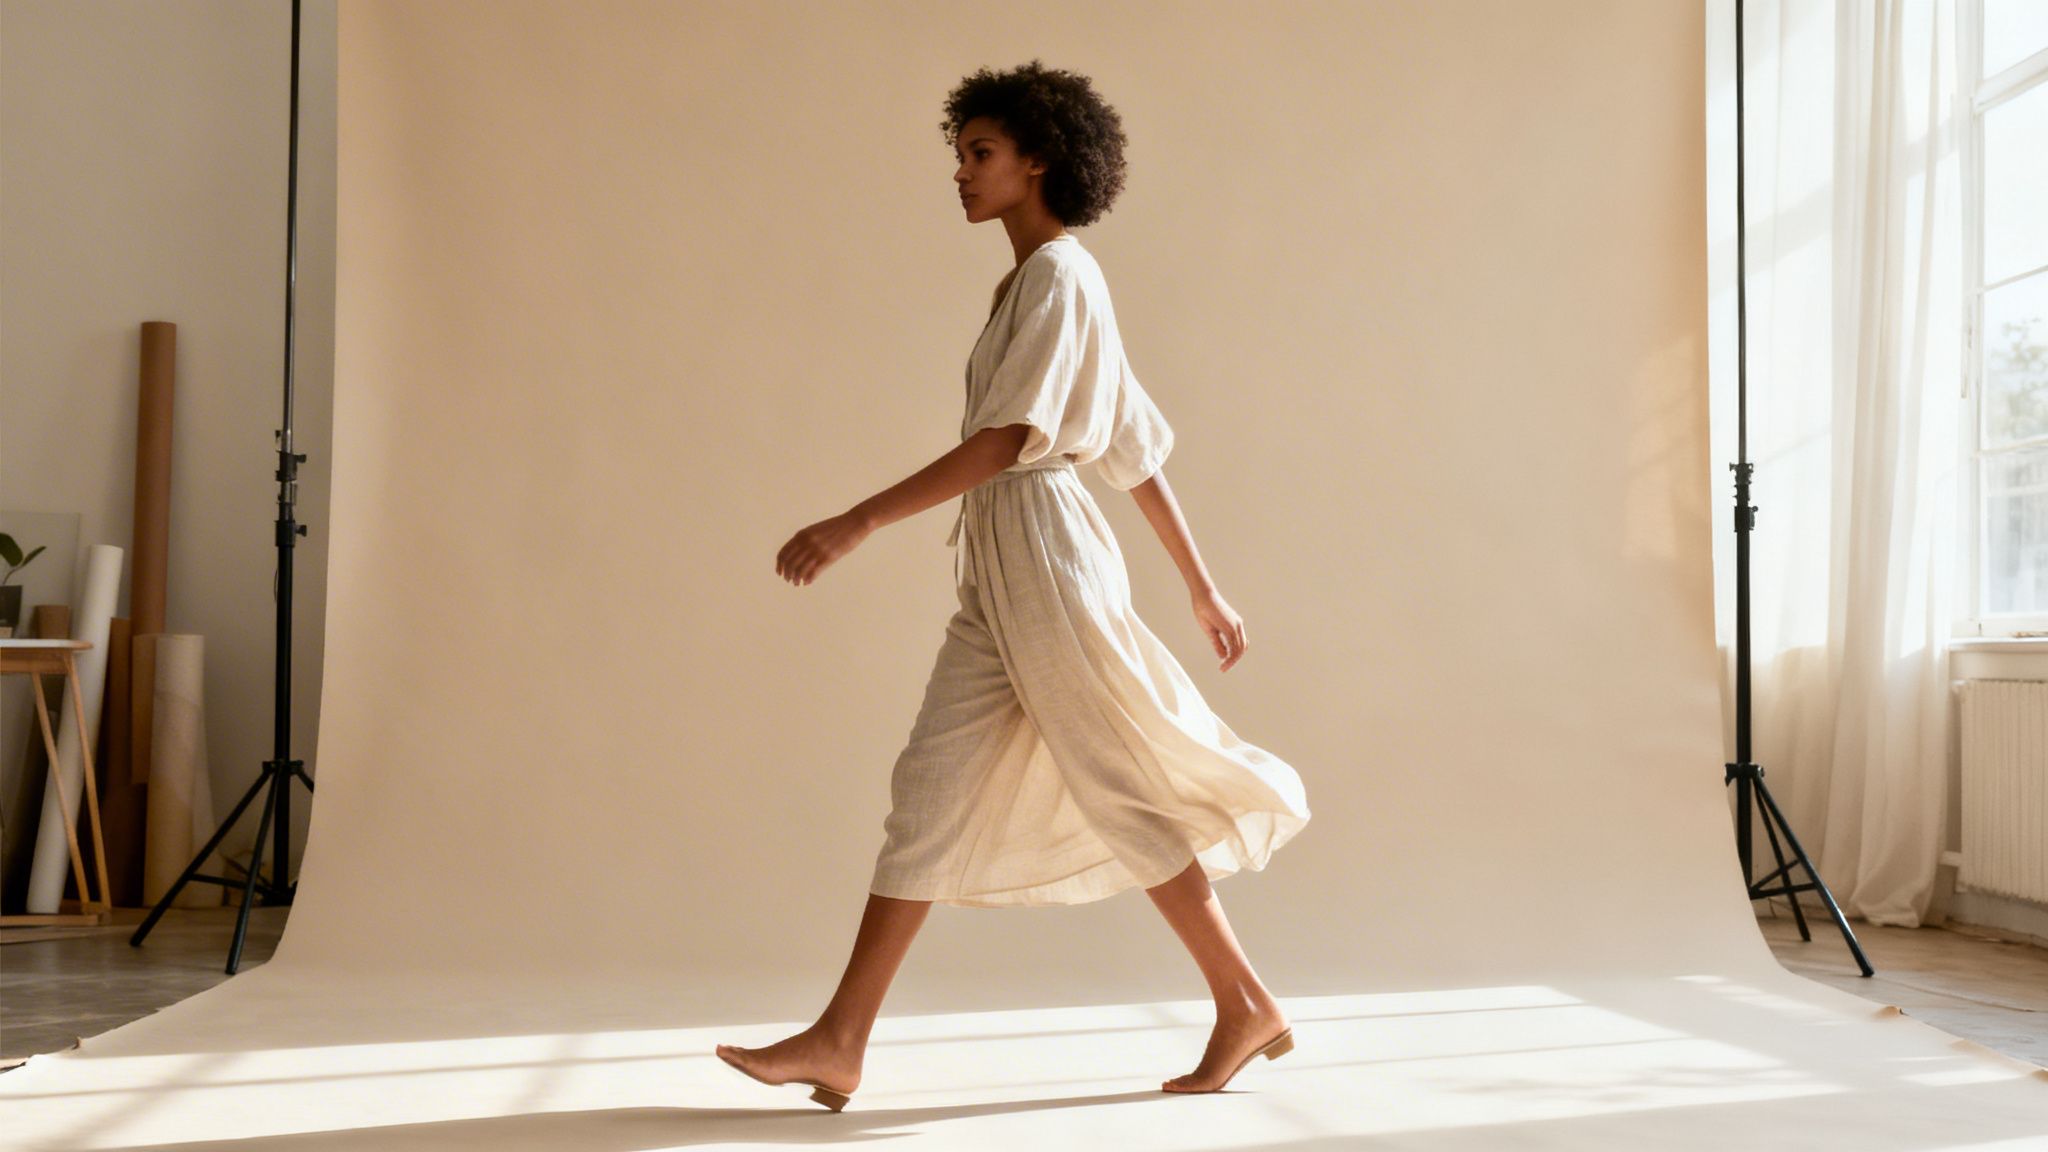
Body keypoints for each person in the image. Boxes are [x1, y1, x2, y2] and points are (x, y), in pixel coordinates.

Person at [716, 61, 1309, 1112]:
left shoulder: (1060, 279)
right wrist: (1204, 589)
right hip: (1003, 566)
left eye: (979, 152)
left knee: (1117, 779)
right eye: (958, 152)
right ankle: (840, 1039)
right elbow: (1133, 444)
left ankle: (1242, 1000)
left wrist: (855, 520)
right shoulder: (1031, 283)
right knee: (929, 790)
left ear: (1039, 160)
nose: (959, 170)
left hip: (1044, 551)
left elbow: (1009, 442)